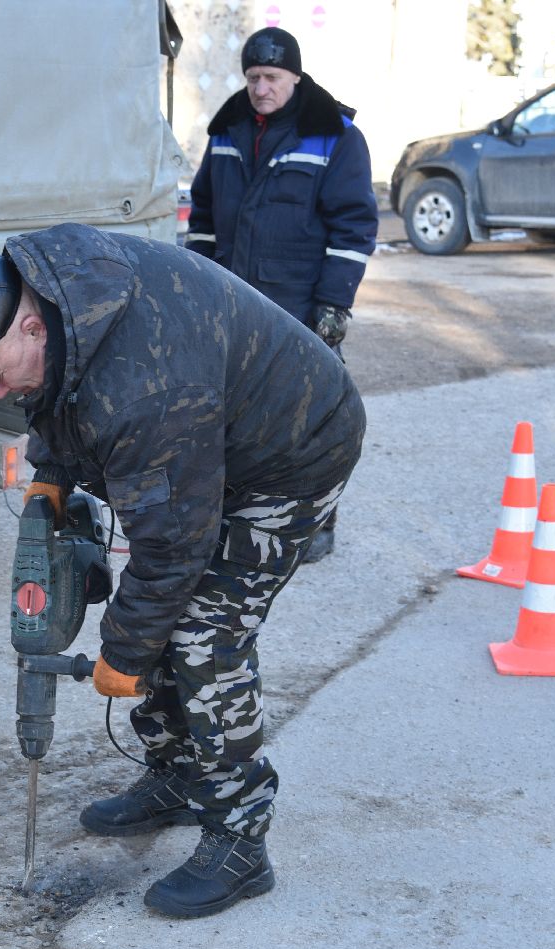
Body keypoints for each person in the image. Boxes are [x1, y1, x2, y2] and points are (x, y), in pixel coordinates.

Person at [0, 223, 365, 918]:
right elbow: (59, 392)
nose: (1, 393)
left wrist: (125, 657)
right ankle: (182, 776)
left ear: (31, 328)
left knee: (200, 637)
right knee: (149, 617)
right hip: (210, 434)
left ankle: (240, 840)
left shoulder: (144, 388)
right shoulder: (61, 297)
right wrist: (51, 475)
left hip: (293, 450)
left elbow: (172, 549)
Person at [185, 26, 378, 563]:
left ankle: (317, 524)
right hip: (230, 300)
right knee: (230, 414)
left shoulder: (334, 136)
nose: (260, 88)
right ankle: (240, 516)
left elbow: (354, 228)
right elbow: (202, 215)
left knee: (310, 420)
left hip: (299, 306)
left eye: (271, 78)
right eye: (252, 78)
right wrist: (198, 282)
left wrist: (334, 307)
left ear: (295, 76)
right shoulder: (227, 131)